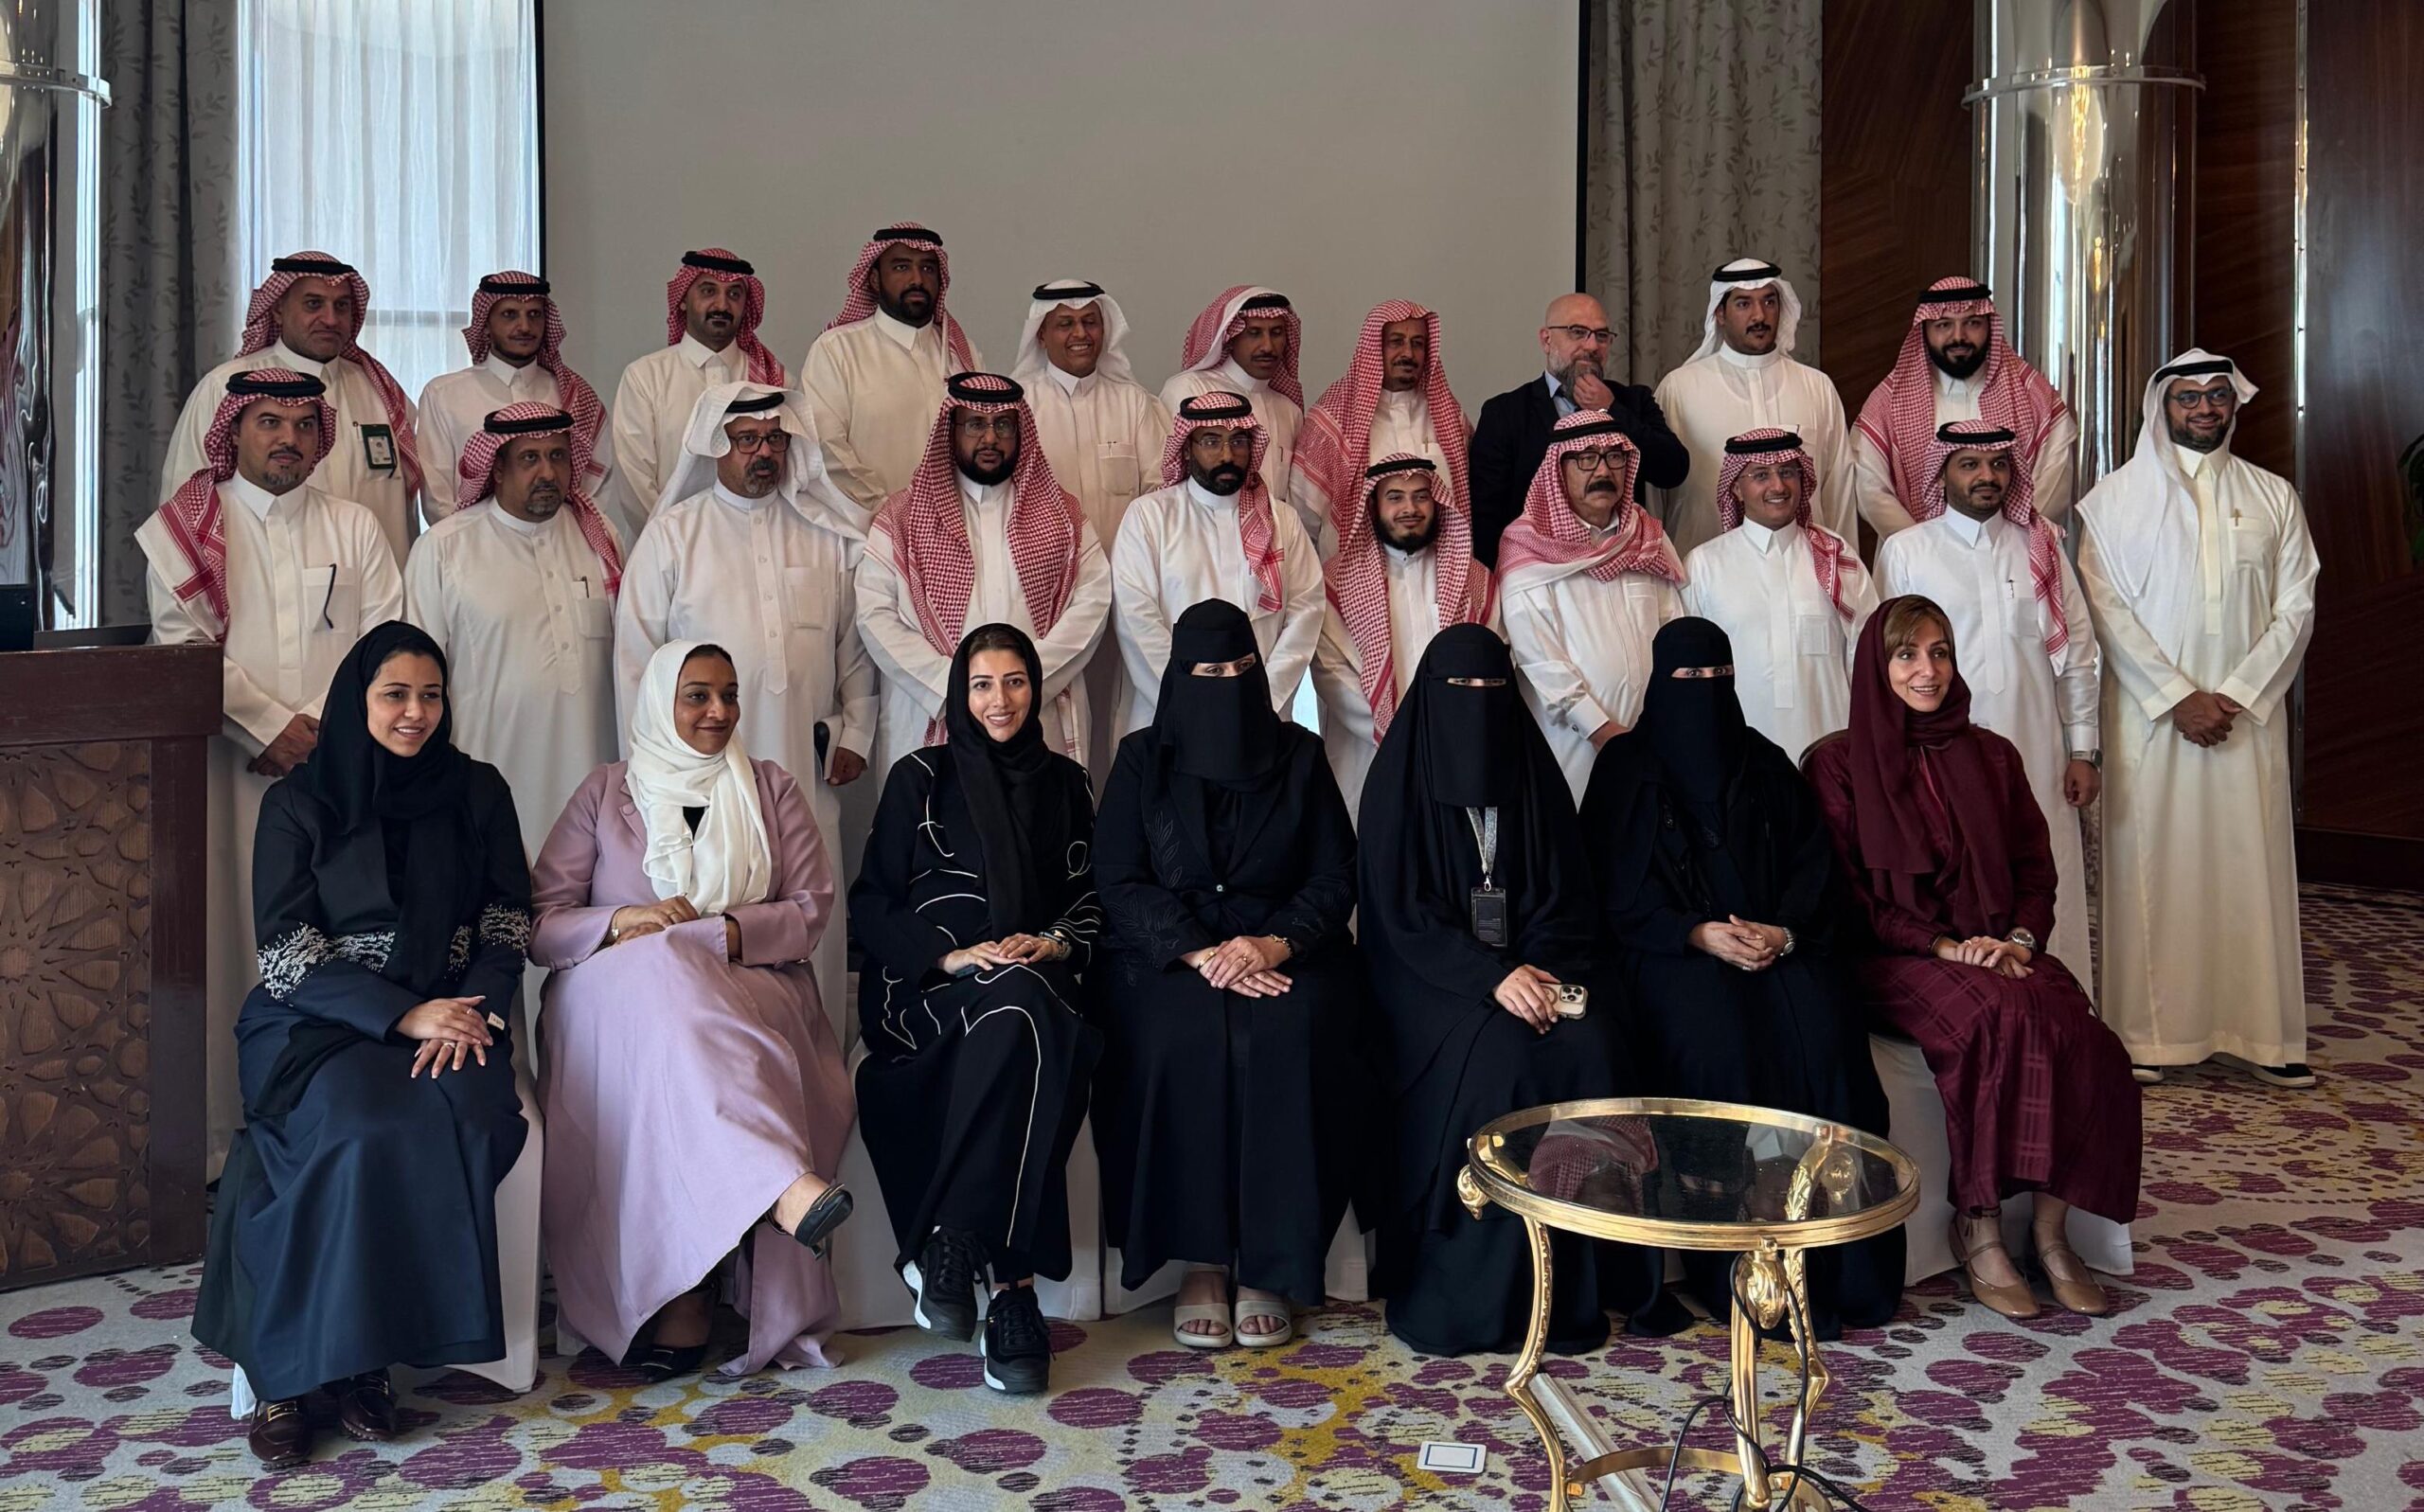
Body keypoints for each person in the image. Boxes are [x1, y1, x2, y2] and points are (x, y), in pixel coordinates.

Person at [191, 623, 529, 1468]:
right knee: (354, 1128)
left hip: (455, 1016)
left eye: (431, 695)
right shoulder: (300, 802)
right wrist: (404, 1014)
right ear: (357, 698)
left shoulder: (478, 791)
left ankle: (364, 1357)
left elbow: (505, 924)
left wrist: (475, 1013)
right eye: (395, 694)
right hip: (316, 1021)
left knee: (468, 1115)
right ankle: (293, 1372)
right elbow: (286, 951)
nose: (416, 712)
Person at [529, 640, 858, 1380]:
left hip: (749, 983)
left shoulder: (771, 787)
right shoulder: (604, 791)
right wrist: (624, 922)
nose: (718, 711)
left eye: (729, 695)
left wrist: (712, 935)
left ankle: (690, 1287)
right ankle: (778, 1188)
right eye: (697, 695)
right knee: (662, 972)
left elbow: (810, 909)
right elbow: (542, 923)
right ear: (659, 702)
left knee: (682, 989)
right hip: (613, 1004)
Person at [1808, 597, 2140, 1320]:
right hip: (1894, 956)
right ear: (1876, 665)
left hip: (1997, 947)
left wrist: (2018, 938)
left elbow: (2035, 869)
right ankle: (1980, 1224)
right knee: (1991, 1022)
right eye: (1906, 654)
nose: (1926, 670)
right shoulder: (1838, 765)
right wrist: (1942, 944)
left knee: (2090, 1038)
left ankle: (2050, 1231)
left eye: (1939, 652)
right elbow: (1848, 898)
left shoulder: (1992, 755)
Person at [1579, 617, 1903, 1337]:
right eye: (1688, 679)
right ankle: (1729, 1264)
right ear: (1659, 684)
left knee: (1827, 1034)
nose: (1704, 692)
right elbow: (1609, 891)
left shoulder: (1765, 761)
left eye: (1717, 678)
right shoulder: (1626, 768)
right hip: (1674, 955)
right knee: (1716, 1041)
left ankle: (1843, 1265)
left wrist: (1783, 930)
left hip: (1776, 945)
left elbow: (1813, 866)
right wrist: (1695, 932)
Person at [139, 369, 404, 1175]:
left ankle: (331, 1130)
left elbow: (387, 638)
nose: (287, 438)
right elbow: (179, 642)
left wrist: (319, 735)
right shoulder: (187, 530)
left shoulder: (356, 526)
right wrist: (264, 725)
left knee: (339, 934)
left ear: (321, 437)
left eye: (301, 424)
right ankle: (224, 1144)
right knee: (229, 939)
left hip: (341, 780)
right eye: (267, 422)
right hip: (227, 775)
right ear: (234, 430)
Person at [1358, 626, 1649, 1356]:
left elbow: (1564, 897)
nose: (1479, 704)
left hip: (1534, 972)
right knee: (1498, 1063)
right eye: (1461, 690)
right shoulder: (1396, 784)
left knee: (1592, 1048)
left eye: (1493, 689)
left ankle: (1573, 1286)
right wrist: (1491, 978)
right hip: (1433, 988)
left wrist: (1535, 969)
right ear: (1432, 697)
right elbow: (1403, 919)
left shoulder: (1532, 776)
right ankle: (1478, 1293)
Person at [1095, 601, 1364, 1350]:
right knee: (1178, 1038)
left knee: (1287, 1032)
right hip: (1172, 956)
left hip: (1284, 951)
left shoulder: (1300, 756)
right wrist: (1198, 951)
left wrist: (1272, 944)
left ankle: (1271, 1264)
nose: (1225, 683)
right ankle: (1203, 1261)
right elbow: (1118, 876)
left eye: (1240, 668)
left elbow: (1335, 873)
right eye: (1208, 671)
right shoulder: (1142, 759)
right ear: (1180, 676)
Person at [849, 625, 1101, 1396]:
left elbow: (1096, 899)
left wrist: (1053, 942)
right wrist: (949, 955)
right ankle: (1015, 1292)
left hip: (1032, 982)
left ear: (1037, 688)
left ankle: (953, 1240)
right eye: (983, 684)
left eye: (1015, 681)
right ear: (961, 692)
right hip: (928, 993)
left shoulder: (1067, 784)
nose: (1000, 700)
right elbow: (870, 904)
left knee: (1023, 1009)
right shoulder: (918, 778)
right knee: (1025, 1026)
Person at [2075, 352, 2321, 1087]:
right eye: (2189, 397)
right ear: (2163, 406)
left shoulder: (2273, 496)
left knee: (2251, 866)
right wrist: (2178, 696)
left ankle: (2264, 1036)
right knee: (2155, 871)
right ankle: (2147, 1035)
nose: (2205, 408)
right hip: (2152, 725)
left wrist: (2236, 694)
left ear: (2234, 404)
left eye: (2218, 395)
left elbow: (2297, 606)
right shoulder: (2112, 501)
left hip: (2247, 723)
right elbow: (2104, 612)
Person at [616, 383, 877, 1027]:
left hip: (803, 763)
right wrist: (651, 773)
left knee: (809, 905)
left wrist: (857, 730)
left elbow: (852, 642)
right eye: (746, 441)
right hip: (698, 781)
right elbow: (637, 663)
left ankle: (815, 1054)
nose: (764, 453)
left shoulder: (823, 533)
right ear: (716, 447)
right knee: (716, 915)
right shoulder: (674, 536)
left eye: (775, 440)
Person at [1875, 420, 2099, 983]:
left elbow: (2078, 652)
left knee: (2043, 872)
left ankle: (2060, 1001)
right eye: (1969, 464)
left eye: (1998, 464)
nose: (1987, 476)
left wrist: (2084, 749)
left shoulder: (2041, 546)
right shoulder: (1907, 550)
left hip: (2038, 748)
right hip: (1940, 759)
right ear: (1942, 472)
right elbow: (1885, 664)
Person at [855, 371, 1111, 779]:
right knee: (935, 816)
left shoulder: (1062, 514)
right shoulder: (902, 517)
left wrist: (1024, 685)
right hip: (934, 711)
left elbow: (1092, 603)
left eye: (1003, 425)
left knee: (1039, 815)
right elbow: (875, 614)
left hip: (1036, 713)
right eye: (975, 424)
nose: (990, 438)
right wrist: (952, 688)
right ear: (952, 430)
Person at [405, 403, 625, 862]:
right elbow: (418, 679)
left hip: (593, 771)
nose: (548, 472)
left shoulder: (598, 536)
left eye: (558, 456)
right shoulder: (444, 549)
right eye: (530, 458)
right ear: (497, 467)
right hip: (491, 773)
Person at [1008, 279, 1175, 772]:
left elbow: (1162, 495)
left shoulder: (1135, 404)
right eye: (1065, 323)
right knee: (1059, 728)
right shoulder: (1017, 409)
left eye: (1090, 322)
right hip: (1052, 604)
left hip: (1130, 598)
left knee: (1126, 719)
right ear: (1041, 334)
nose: (1080, 334)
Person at [162, 253, 422, 562]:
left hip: (380, 584)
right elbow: (185, 503)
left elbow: (405, 503)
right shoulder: (227, 386)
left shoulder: (380, 389)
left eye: (341, 306)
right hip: (269, 584)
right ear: (278, 311)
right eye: (313, 304)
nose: (330, 319)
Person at [1498, 412, 1688, 802]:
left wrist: (1671, 718)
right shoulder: (1527, 547)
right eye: (1586, 458)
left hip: (1657, 740)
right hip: (1574, 745)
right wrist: (1600, 729)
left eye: (1614, 456)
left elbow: (1676, 631)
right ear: (1559, 468)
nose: (1603, 470)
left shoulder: (1646, 536)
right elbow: (1539, 660)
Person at [1110, 393, 1324, 733]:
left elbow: (1304, 613)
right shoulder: (1149, 516)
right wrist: (1191, 701)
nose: (1227, 455)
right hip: (1171, 717)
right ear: (1187, 448)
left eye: (1238, 441)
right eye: (1211, 441)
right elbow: (1137, 621)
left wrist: (1261, 700)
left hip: (1262, 717)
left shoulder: (1282, 520)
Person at [1310, 454, 1499, 818]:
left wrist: (1448, 730)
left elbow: (1492, 661)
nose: (1409, 508)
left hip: (1456, 748)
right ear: (1373, 506)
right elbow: (1331, 672)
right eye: (1395, 497)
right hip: (1368, 751)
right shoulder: (1336, 582)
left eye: (1421, 496)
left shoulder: (1474, 578)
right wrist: (1401, 732)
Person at [1682, 428, 1877, 763]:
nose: (1778, 486)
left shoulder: (1835, 555)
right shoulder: (1704, 564)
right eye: (1761, 475)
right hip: (1739, 757)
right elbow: (1692, 675)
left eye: (1788, 472)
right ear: (1736, 487)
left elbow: (1868, 656)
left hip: (1834, 753)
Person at [1469, 293, 1689, 566]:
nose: (1592, 345)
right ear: (1546, 340)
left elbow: (1673, 469)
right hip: (1537, 571)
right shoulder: (1505, 413)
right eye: (1578, 332)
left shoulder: (1633, 402)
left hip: (1620, 562)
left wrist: (1611, 409)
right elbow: (1486, 516)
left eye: (1602, 335)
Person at [1652, 259, 1857, 553]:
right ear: (1720, 313)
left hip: (1804, 566)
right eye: (1744, 304)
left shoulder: (1816, 387)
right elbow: (1656, 497)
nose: (1759, 315)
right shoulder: (1679, 389)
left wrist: (1843, 565)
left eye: (1769, 302)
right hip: (1704, 569)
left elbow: (1839, 490)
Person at [1852, 278, 2076, 539]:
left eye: (1972, 323)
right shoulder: (1888, 401)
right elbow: (1872, 490)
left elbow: (2054, 480)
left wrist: (2008, 543)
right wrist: (1922, 549)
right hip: (1916, 556)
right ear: (1925, 330)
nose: (1958, 336)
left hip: (2016, 553)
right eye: (1944, 325)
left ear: (1989, 326)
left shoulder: (2032, 394)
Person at [800, 223, 984, 510]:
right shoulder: (837, 349)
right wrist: (889, 513)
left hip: (959, 524)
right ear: (875, 280)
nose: (917, 279)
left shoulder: (963, 353)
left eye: (927, 268)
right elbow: (827, 449)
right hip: (870, 527)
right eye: (901, 267)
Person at [607, 249, 787, 527]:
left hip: (757, 538)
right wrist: (673, 543)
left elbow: (788, 474)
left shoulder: (773, 379)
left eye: (734, 294)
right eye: (708, 291)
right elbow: (636, 484)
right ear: (682, 300)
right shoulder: (645, 377)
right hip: (666, 545)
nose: (722, 305)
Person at [416, 271, 613, 524]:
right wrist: (467, 541)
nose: (525, 327)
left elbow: (595, 488)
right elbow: (437, 497)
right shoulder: (444, 395)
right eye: (510, 314)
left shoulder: (575, 395)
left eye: (534, 314)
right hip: (472, 542)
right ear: (486, 324)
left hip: (559, 538)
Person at [1289, 299, 1471, 557]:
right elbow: (1303, 516)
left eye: (1417, 343)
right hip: (1351, 571)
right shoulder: (1332, 419)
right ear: (1374, 348)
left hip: (1435, 571)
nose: (1408, 353)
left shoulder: (1449, 416)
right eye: (1396, 342)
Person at [1158, 286, 1305, 514]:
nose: (1268, 346)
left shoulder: (1289, 410)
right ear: (1231, 337)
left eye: (1276, 333)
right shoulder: (1189, 389)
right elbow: (1165, 477)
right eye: (1254, 333)